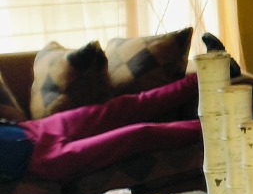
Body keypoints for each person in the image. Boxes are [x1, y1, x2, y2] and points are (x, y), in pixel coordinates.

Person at [0, 74, 200, 183]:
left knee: (126, 106)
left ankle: (206, 73)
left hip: (35, 128)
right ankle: (214, 127)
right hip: (43, 160)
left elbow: (12, 114)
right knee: (139, 134)